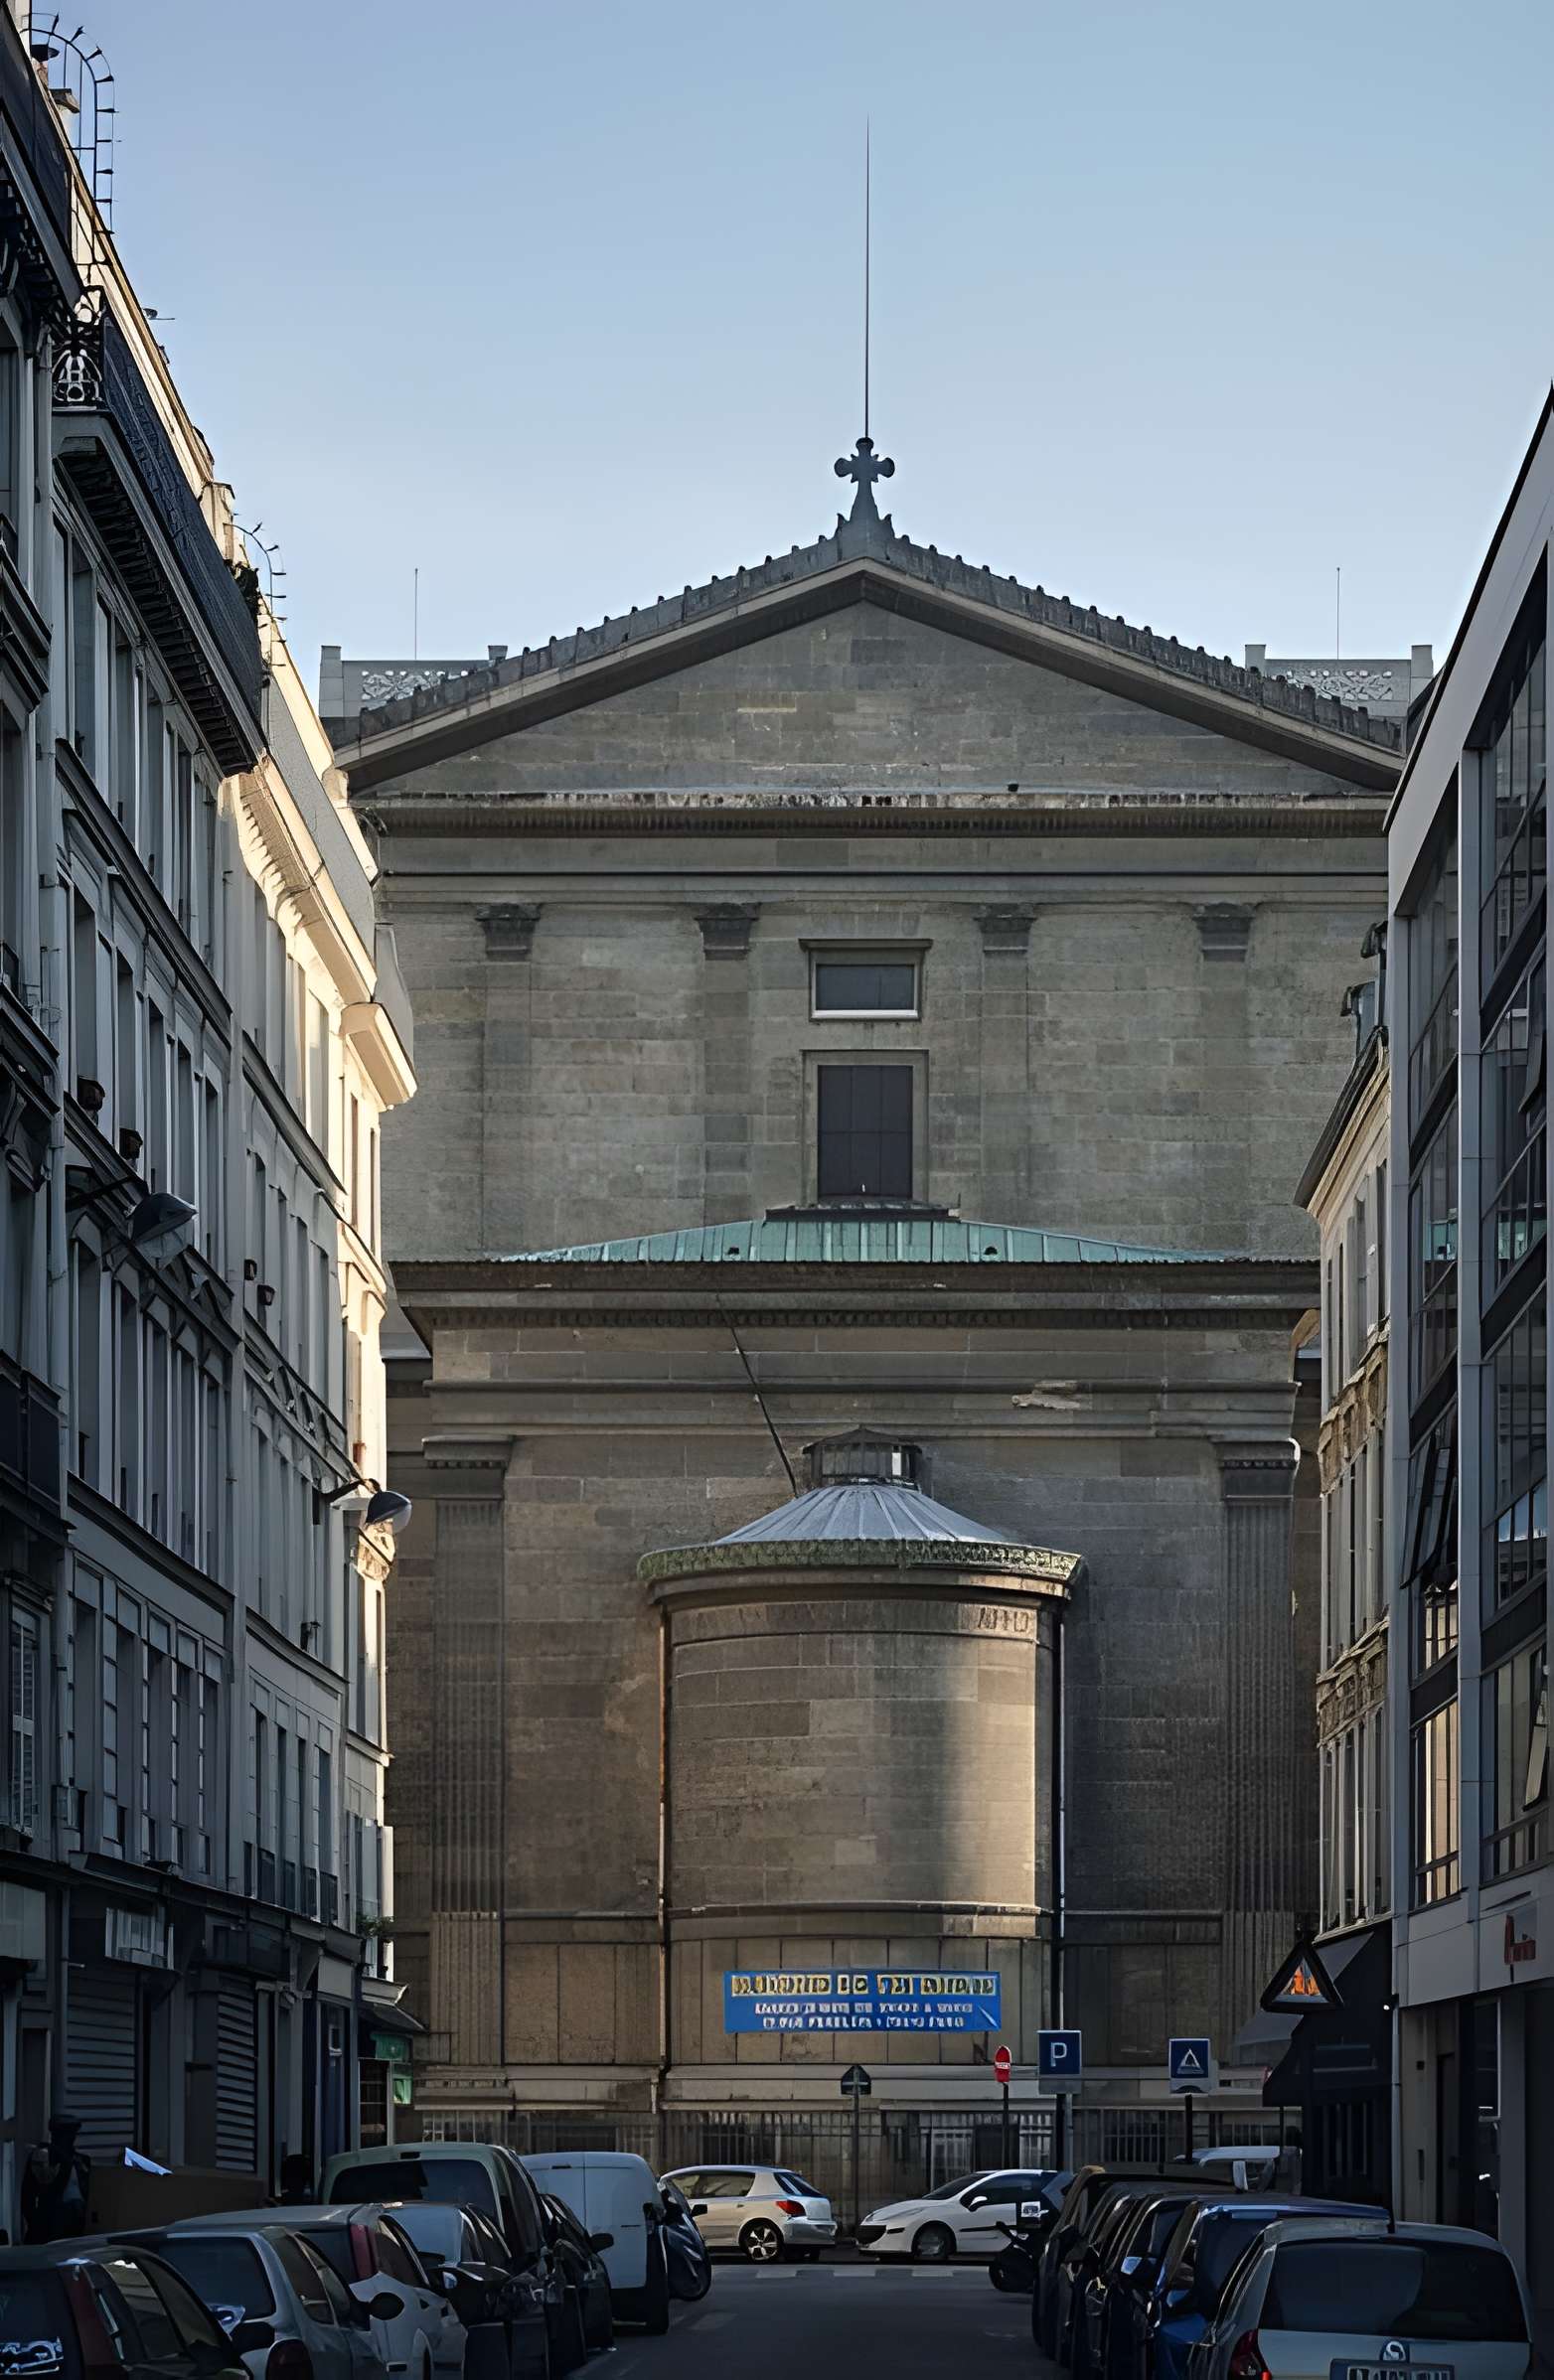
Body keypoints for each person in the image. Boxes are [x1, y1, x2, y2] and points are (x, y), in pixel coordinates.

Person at [21, 2116, 90, 2243]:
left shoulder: (82, 2161)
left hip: (78, 2224)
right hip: (50, 2224)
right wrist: (36, 2224)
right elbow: (27, 2195)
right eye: (63, 2134)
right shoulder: (43, 2158)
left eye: (71, 2134)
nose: (69, 2138)